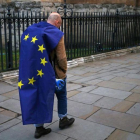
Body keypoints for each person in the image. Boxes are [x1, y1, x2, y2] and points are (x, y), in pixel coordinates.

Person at [18, 12, 74, 139]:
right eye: (59, 25)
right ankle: (63, 119)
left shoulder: (32, 31)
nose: (59, 27)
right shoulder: (56, 34)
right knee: (61, 94)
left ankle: (39, 128)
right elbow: (61, 57)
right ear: (57, 22)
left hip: (37, 73)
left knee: (40, 97)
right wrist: (63, 71)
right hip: (53, 71)